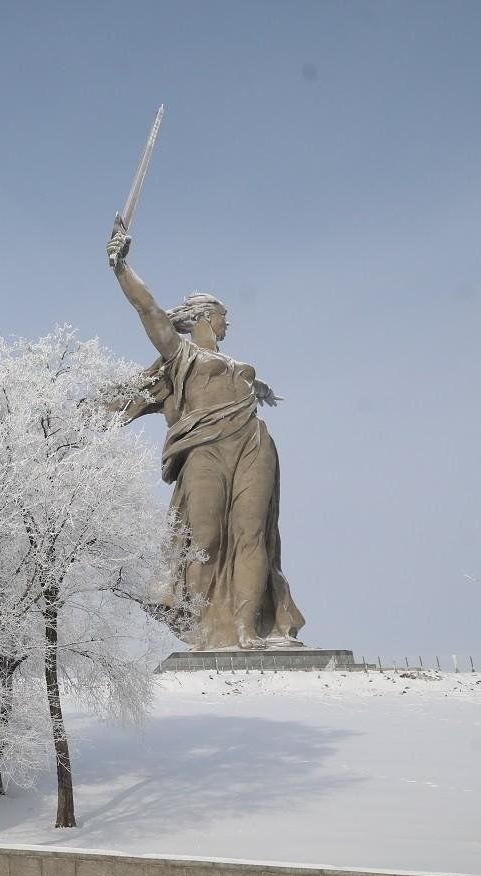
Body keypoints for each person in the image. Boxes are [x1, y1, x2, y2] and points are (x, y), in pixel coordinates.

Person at [106, 222, 304, 650]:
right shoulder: (181, 354)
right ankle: (201, 626)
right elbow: (149, 310)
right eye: (223, 315)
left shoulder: (237, 363)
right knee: (206, 536)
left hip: (253, 444)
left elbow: (246, 385)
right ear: (204, 315)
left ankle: (246, 628)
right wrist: (122, 266)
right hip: (204, 451)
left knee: (252, 535)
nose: (227, 321)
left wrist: (259, 388)